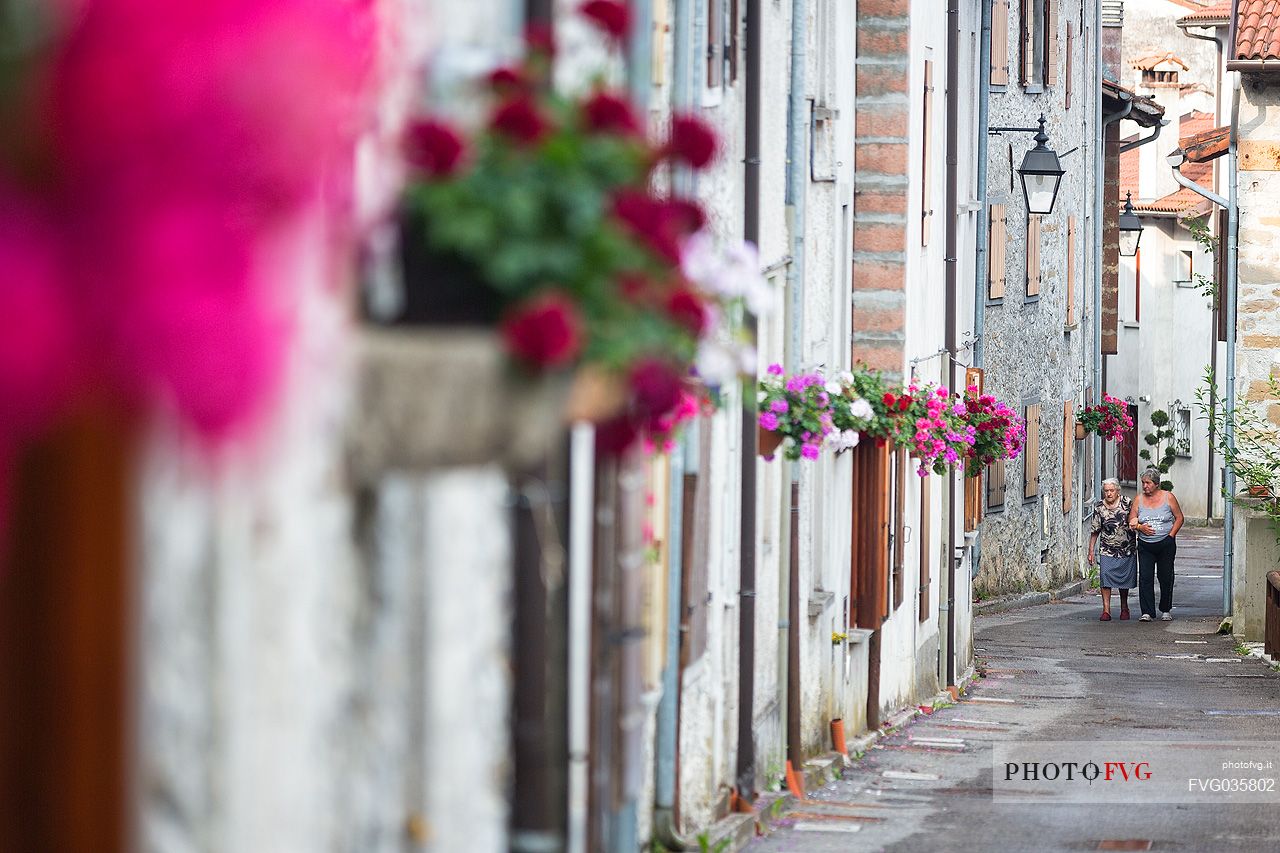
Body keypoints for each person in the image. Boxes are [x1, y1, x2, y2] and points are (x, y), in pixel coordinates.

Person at [1128, 468, 1185, 622]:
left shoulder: (1169, 498)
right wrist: (1141, 527)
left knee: (1165, 576)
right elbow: (1132, 520)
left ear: (1156, 484)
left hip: (1165, 544)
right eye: (1143, 483)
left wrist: (1171, 536)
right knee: (1145, 577)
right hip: (1146, 545)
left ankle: (1165, 609)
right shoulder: (1139, 500)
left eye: (1148, 483)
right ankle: (1147, 612)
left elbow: (1179, 518)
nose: (1145, 486)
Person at [1088, 478, 1136, 621]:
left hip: (1127, 548)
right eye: (1106, 491)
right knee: (1105, 578)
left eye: (1112, 490)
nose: (1109, 493)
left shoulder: (1127, 503)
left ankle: (1124, 607)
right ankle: (1106, 610)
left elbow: (1135, 520)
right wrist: (1091, 551)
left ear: (1117, 491)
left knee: (1124, 580)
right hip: (1107, 549)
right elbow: (1095, 530)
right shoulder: (1099, 507)